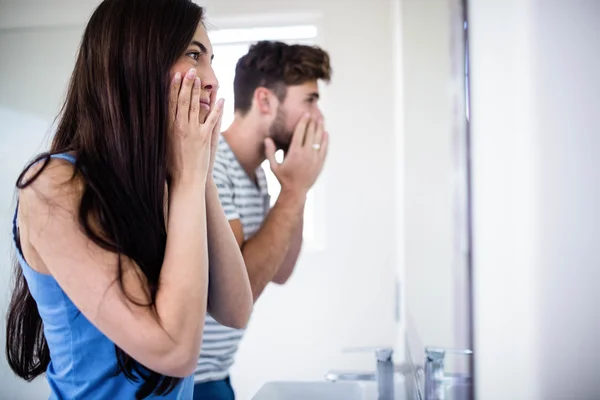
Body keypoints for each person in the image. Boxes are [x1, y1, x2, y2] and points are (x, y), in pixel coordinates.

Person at [4, 0, 253, 399]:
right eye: (194, 55)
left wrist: (200, 174)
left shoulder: (165, 180)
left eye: (211, 60)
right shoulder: (54, 186)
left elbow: (235, 309)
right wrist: (189, 177)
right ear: (137, 63)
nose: (212, 81)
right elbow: (172, 351)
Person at [193, 40, 332, 399]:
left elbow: (281, 271)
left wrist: (295, 189)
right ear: (265, 101)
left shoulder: (257, 176)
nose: (318, 119)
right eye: (310, 101)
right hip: (186, 384)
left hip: (216, 376)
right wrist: (294, 191)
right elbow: (240, 289)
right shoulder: (214, 168)